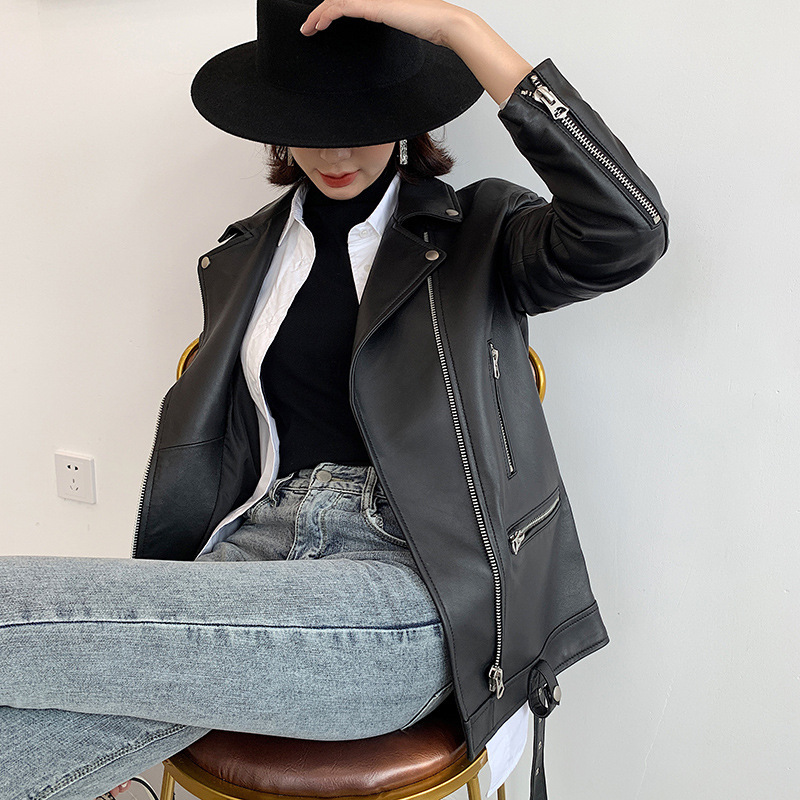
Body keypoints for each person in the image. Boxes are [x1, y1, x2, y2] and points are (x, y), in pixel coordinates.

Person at [0, 1, 669, 798]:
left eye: (361, 122)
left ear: (405, 118)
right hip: (250, 556)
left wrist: (459, 31)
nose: (335, 151)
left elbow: (629, 228)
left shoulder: (480, 233)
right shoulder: (243, 254)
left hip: (408, 583)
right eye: (309, 125)